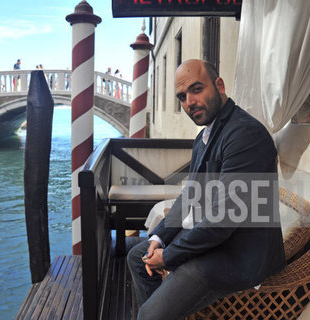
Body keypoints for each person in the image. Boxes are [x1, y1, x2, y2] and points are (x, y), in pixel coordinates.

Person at [127, 59, 285, 320]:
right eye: (182, 96)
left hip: (239, 255)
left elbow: (223, 220)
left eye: (196, 89)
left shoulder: (244, 134)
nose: (189, 101)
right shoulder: (206, 136)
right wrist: (158, 239)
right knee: (138, 256)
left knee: (149, 315)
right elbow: (191, 195)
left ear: (219, 85)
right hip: (218, 241)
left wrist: (168, 256)